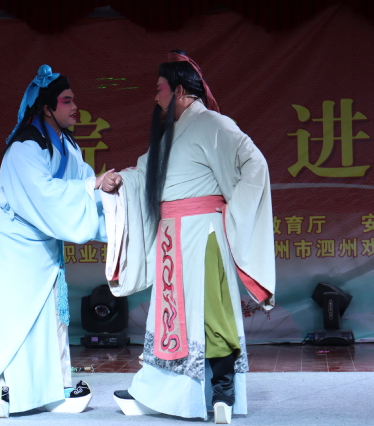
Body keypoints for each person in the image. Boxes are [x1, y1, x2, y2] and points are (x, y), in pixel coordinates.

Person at [101, 50, 276, 424]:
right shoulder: (170, 135)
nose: (156, 97)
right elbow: (144, 174)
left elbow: (255, 164)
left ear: (179, 90)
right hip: (172, 235)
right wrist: (120, 181)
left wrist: (231, 210)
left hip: (202, 233)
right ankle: (159, 390)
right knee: (169, 319)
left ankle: (222, 391)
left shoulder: (214, 124)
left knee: (210, 311)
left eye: (160, 89)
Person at [0, 65, 109, 418]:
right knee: (14, 319)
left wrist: (109, 193)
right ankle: (2, 389)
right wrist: (91, 186)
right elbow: (46, 195)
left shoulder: (66, 145)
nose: (75, 107)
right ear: (47, 108)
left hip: (44, 248)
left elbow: (83, 187)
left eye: (74, 100)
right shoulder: (24, 149)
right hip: (16, 247)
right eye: (67, 101)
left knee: (49, 320)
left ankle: (51, 388)